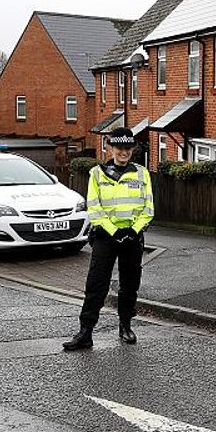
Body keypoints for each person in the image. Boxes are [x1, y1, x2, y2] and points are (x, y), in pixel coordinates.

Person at [63, 131, 154, 351]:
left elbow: (148, 208)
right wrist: (114, 231)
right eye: (119, 148)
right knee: (96, 284)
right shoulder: (97, 174)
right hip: (105, 237)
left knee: (130, 284)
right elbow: (94, 206)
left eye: (128, 148)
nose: (124, 152)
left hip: (132, 237)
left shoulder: (142, 174)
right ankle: (86, 332)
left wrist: (132, 231)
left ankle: (125, 326)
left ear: (133, 150)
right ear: (110, 148)